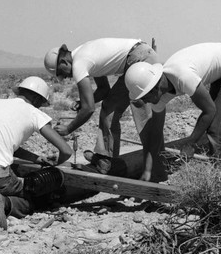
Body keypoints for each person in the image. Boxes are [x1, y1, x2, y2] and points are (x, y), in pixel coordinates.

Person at [124, 42, 221, 177]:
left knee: (218, 129)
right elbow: (156, 135)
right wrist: (147, 170)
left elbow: (209, 110)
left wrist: (191, 143)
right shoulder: (160, 95)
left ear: (154, 88)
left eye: (144, 97)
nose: (144, 102)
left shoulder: (182, 76)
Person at [0, 76, 72, 230]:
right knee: (30, 198)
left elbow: (3, 143)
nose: (40, 106)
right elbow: (66, 151)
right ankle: (4, 203)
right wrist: (56, 165)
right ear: (37, 98)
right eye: (41, 103)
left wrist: (36, 158)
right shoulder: (34, 113)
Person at [44, 38, 164, 180]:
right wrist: (83, 102)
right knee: (109, 107)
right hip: (140, 55)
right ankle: (107, 160)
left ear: (63, 62)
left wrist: (68, 129)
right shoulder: (83, 55)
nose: (64, 78)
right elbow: (103, 90)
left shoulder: (79, 64)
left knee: (144, 118)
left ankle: (156, 171)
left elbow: (89, 109)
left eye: (61, 74)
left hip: (139, 59)